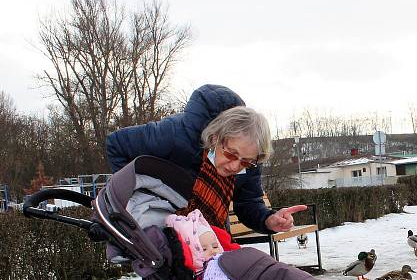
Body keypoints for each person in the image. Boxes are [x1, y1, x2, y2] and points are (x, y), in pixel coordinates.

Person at [106, 83, 305, 235]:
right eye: (230, 154)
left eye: (245, 162)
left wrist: (269, 220)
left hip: (208, 235)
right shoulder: (176, 135)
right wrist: (135, 196)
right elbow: (116, 144)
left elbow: (248, 203)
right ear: (215, 138)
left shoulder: (251, 159)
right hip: (158, 228)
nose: (236, 166)